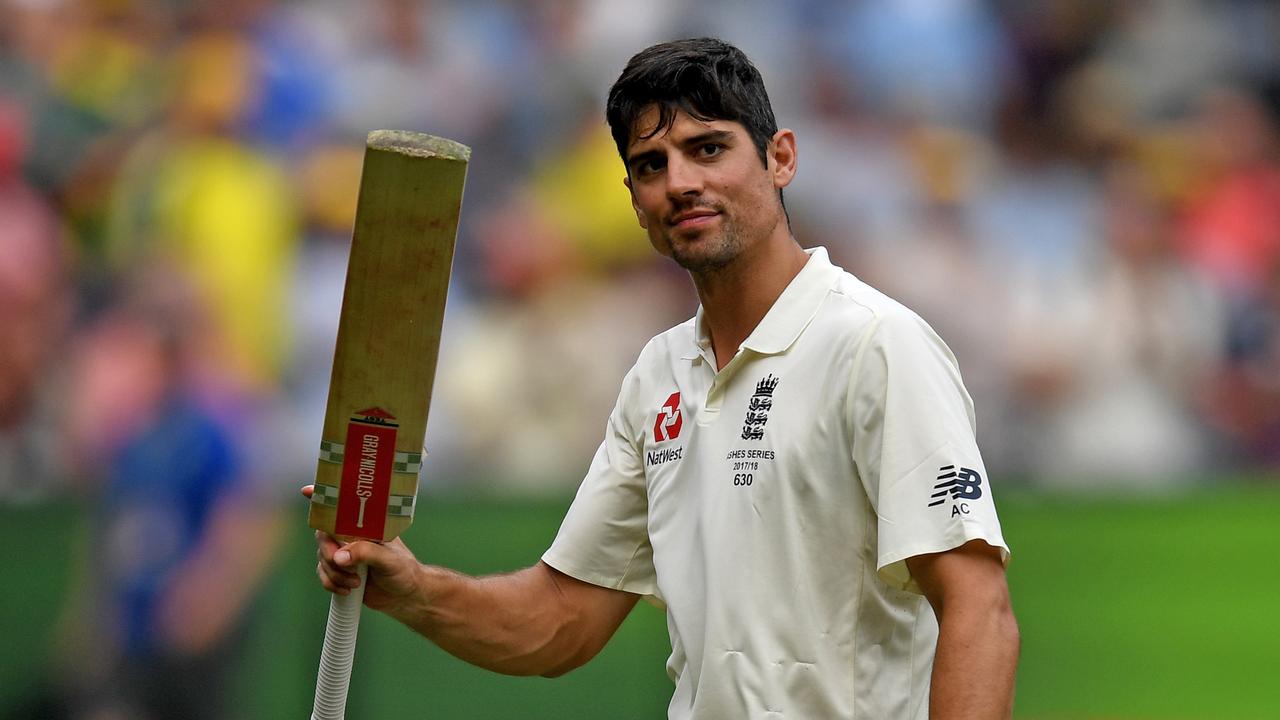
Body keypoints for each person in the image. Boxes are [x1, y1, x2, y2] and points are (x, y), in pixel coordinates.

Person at [311, 37, 1019, 719]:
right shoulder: (658, 377)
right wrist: (412, 589)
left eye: (708, 149)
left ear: (782, 158)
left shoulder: (875, 344)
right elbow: (560, 622)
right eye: (651, 165)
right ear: (632, 197)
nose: (680, 182)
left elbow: (978, 608)